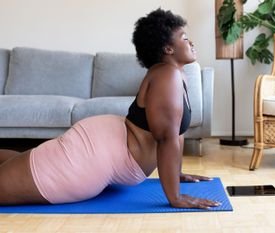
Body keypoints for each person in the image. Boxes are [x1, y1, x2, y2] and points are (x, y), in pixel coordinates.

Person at [0, 9, 221, 209]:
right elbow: (166, 138)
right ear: (168, 48)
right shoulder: (167, 75)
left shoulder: (176, 75)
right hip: (89, 156)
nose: (191, 42)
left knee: (24, 163)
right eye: (184, 38)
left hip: (97, 146)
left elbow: (175, 134)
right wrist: (175, 197)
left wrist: (176, 173)